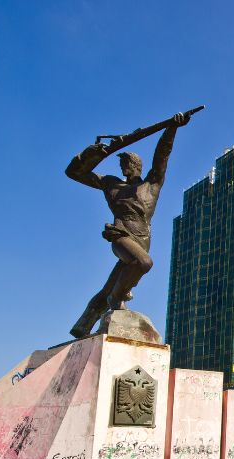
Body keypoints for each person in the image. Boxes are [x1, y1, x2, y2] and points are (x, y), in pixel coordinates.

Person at [66, 112, 191, 338]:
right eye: (121, 162)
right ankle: (117, 298)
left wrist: (172, 128)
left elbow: (162, 156)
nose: (123, 166)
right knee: (144, 263)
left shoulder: (151, 185)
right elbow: (74, 173)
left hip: (143, 240)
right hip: (121, 235)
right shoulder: (111, 184)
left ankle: (84, 324)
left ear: (136, 165)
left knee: (110, 286)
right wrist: (92, 154)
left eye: (126, 162)